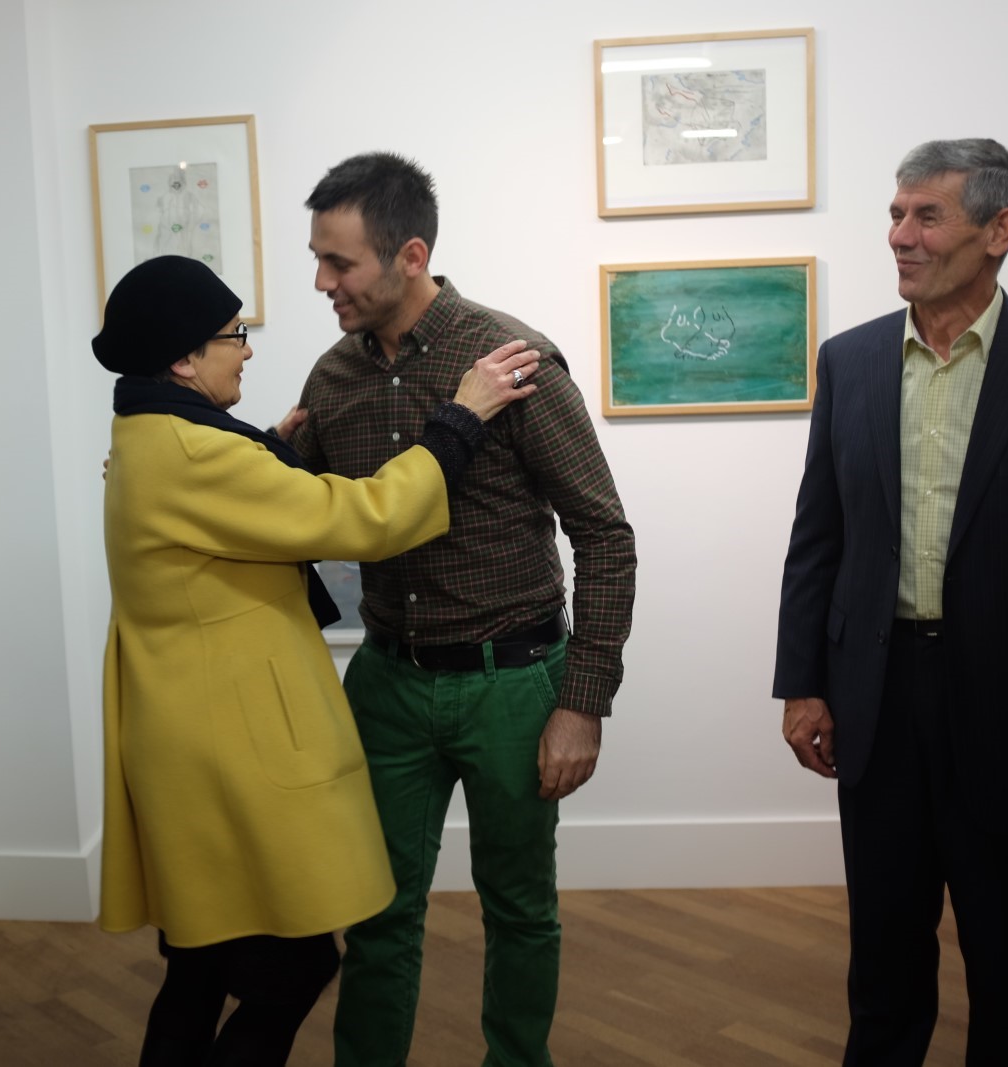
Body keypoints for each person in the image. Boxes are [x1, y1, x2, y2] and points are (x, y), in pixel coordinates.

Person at [94, 254, 542, 1065]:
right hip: (221, 751)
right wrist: (459, 419)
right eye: (233, 335)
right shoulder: (200, 455)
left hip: (182, 737)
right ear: (183, 359)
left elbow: (217, 521)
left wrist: (268, 453)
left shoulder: (151, 435)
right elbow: (364, 518)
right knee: (290, 970)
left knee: (199, 966)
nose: (247, 349)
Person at [292, 152, 637, 1066]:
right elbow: (294, 511)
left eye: (339, 262)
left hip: (513, 686)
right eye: (318, 259)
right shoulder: (332, 378)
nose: (321, 282)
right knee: (376, 910)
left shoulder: (514, 360)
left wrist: (583, 702)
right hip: (387, 684)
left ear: (410, 255)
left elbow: (604, 535)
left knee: (519, 908)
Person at [774, 138, 1008, 1064]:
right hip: (875, 699)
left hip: (1006, 707)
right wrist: (802, 682)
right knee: (882, 960)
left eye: (926, 216)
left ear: (1000, 230)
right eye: (895, 214)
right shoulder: (851, 361)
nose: (900, 236)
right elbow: (817, 537)